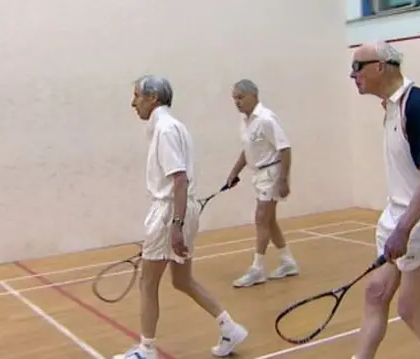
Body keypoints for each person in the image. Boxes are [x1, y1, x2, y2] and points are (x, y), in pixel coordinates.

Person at [113, 75, 248, 359]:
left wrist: (175, 225)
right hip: (180, 210)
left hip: (170, 212)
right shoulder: (173, 127)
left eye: (137, 95)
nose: (133, 102)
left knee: (148, 283)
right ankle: (230, 328)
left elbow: (179, 179)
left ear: (154, 98)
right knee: (182, 280)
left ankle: (146, 351)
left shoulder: (164, 130)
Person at [348, 41, 420, 359]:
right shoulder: (391, 106)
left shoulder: (416, 104)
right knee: (375, 293)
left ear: (380, 66)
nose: (352, 75)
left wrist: (403, 229)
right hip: (397, 212)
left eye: (357, 67)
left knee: (410, 309)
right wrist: (397, 225)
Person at [225, 79, 299, 288]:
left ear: (254, 96)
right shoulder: (245, 121)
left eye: (240, 97)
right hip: (257, 174)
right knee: (270, 220)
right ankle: (287, 261)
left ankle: (257, 269)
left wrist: (284, 180)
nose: (237, 102)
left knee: (261, 218)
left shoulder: (267, 119)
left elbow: (285, 149)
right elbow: (247, 150)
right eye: (234, 99)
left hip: (272, 173)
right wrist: (234, 172)